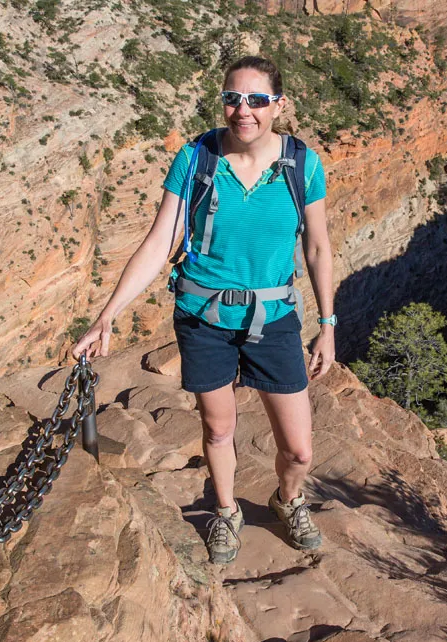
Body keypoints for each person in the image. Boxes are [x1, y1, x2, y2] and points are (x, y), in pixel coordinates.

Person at [74, 55, 335, 564]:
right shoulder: (197, 159)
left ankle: (288, 500)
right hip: (203, 318)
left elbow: (319, 248)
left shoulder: (303, 164)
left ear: (279, 105)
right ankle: (225, 511)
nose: (244, 111)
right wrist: (108, 314)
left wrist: (327, 325)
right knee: (218, 429)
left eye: (257, 100)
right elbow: (159, 243)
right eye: (233, 98)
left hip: (273, 318)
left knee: (299, 450)